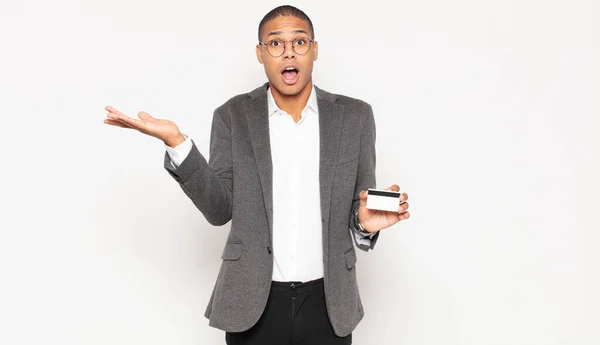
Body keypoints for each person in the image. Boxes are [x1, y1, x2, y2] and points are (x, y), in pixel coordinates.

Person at [103, 5, 410, 345]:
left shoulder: (355, 117)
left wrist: (364, 224)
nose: (289, 52)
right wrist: (177, 143)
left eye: (300, 42)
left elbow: (359, 209)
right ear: (260, 54)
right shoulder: (232, 116)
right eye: (276, 44)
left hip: (330, 304)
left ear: (315, 50)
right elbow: (220, 210)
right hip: (252, 304)